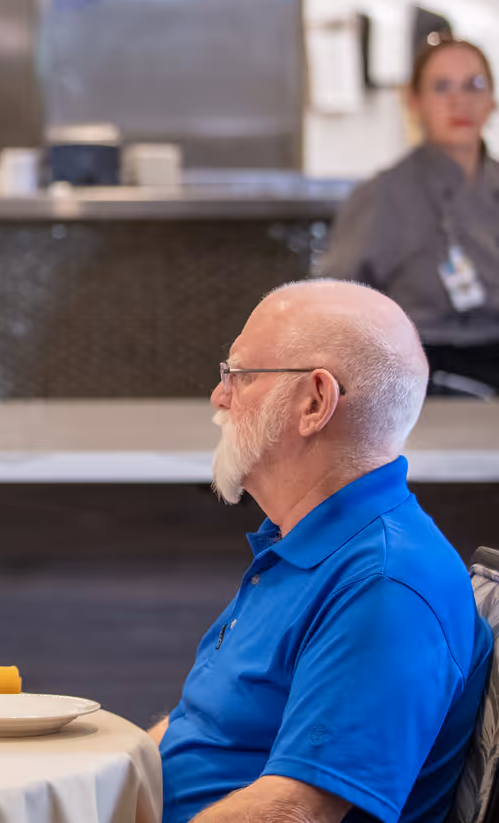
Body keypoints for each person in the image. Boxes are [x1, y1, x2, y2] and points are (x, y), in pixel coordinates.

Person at [155, 280, 491, 823]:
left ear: (314, 401)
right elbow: (207, 730)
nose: (219, 396)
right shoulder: (301, 544)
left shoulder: (384, 583)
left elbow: (294, 812)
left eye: (237, 375)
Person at [318, 39, 499, 394]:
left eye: (473, 85)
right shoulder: (380, 196)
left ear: (492, 99)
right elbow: (334, 303)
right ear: (413, 101)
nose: (458, 101)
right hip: (420, 371)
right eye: (441, 87)